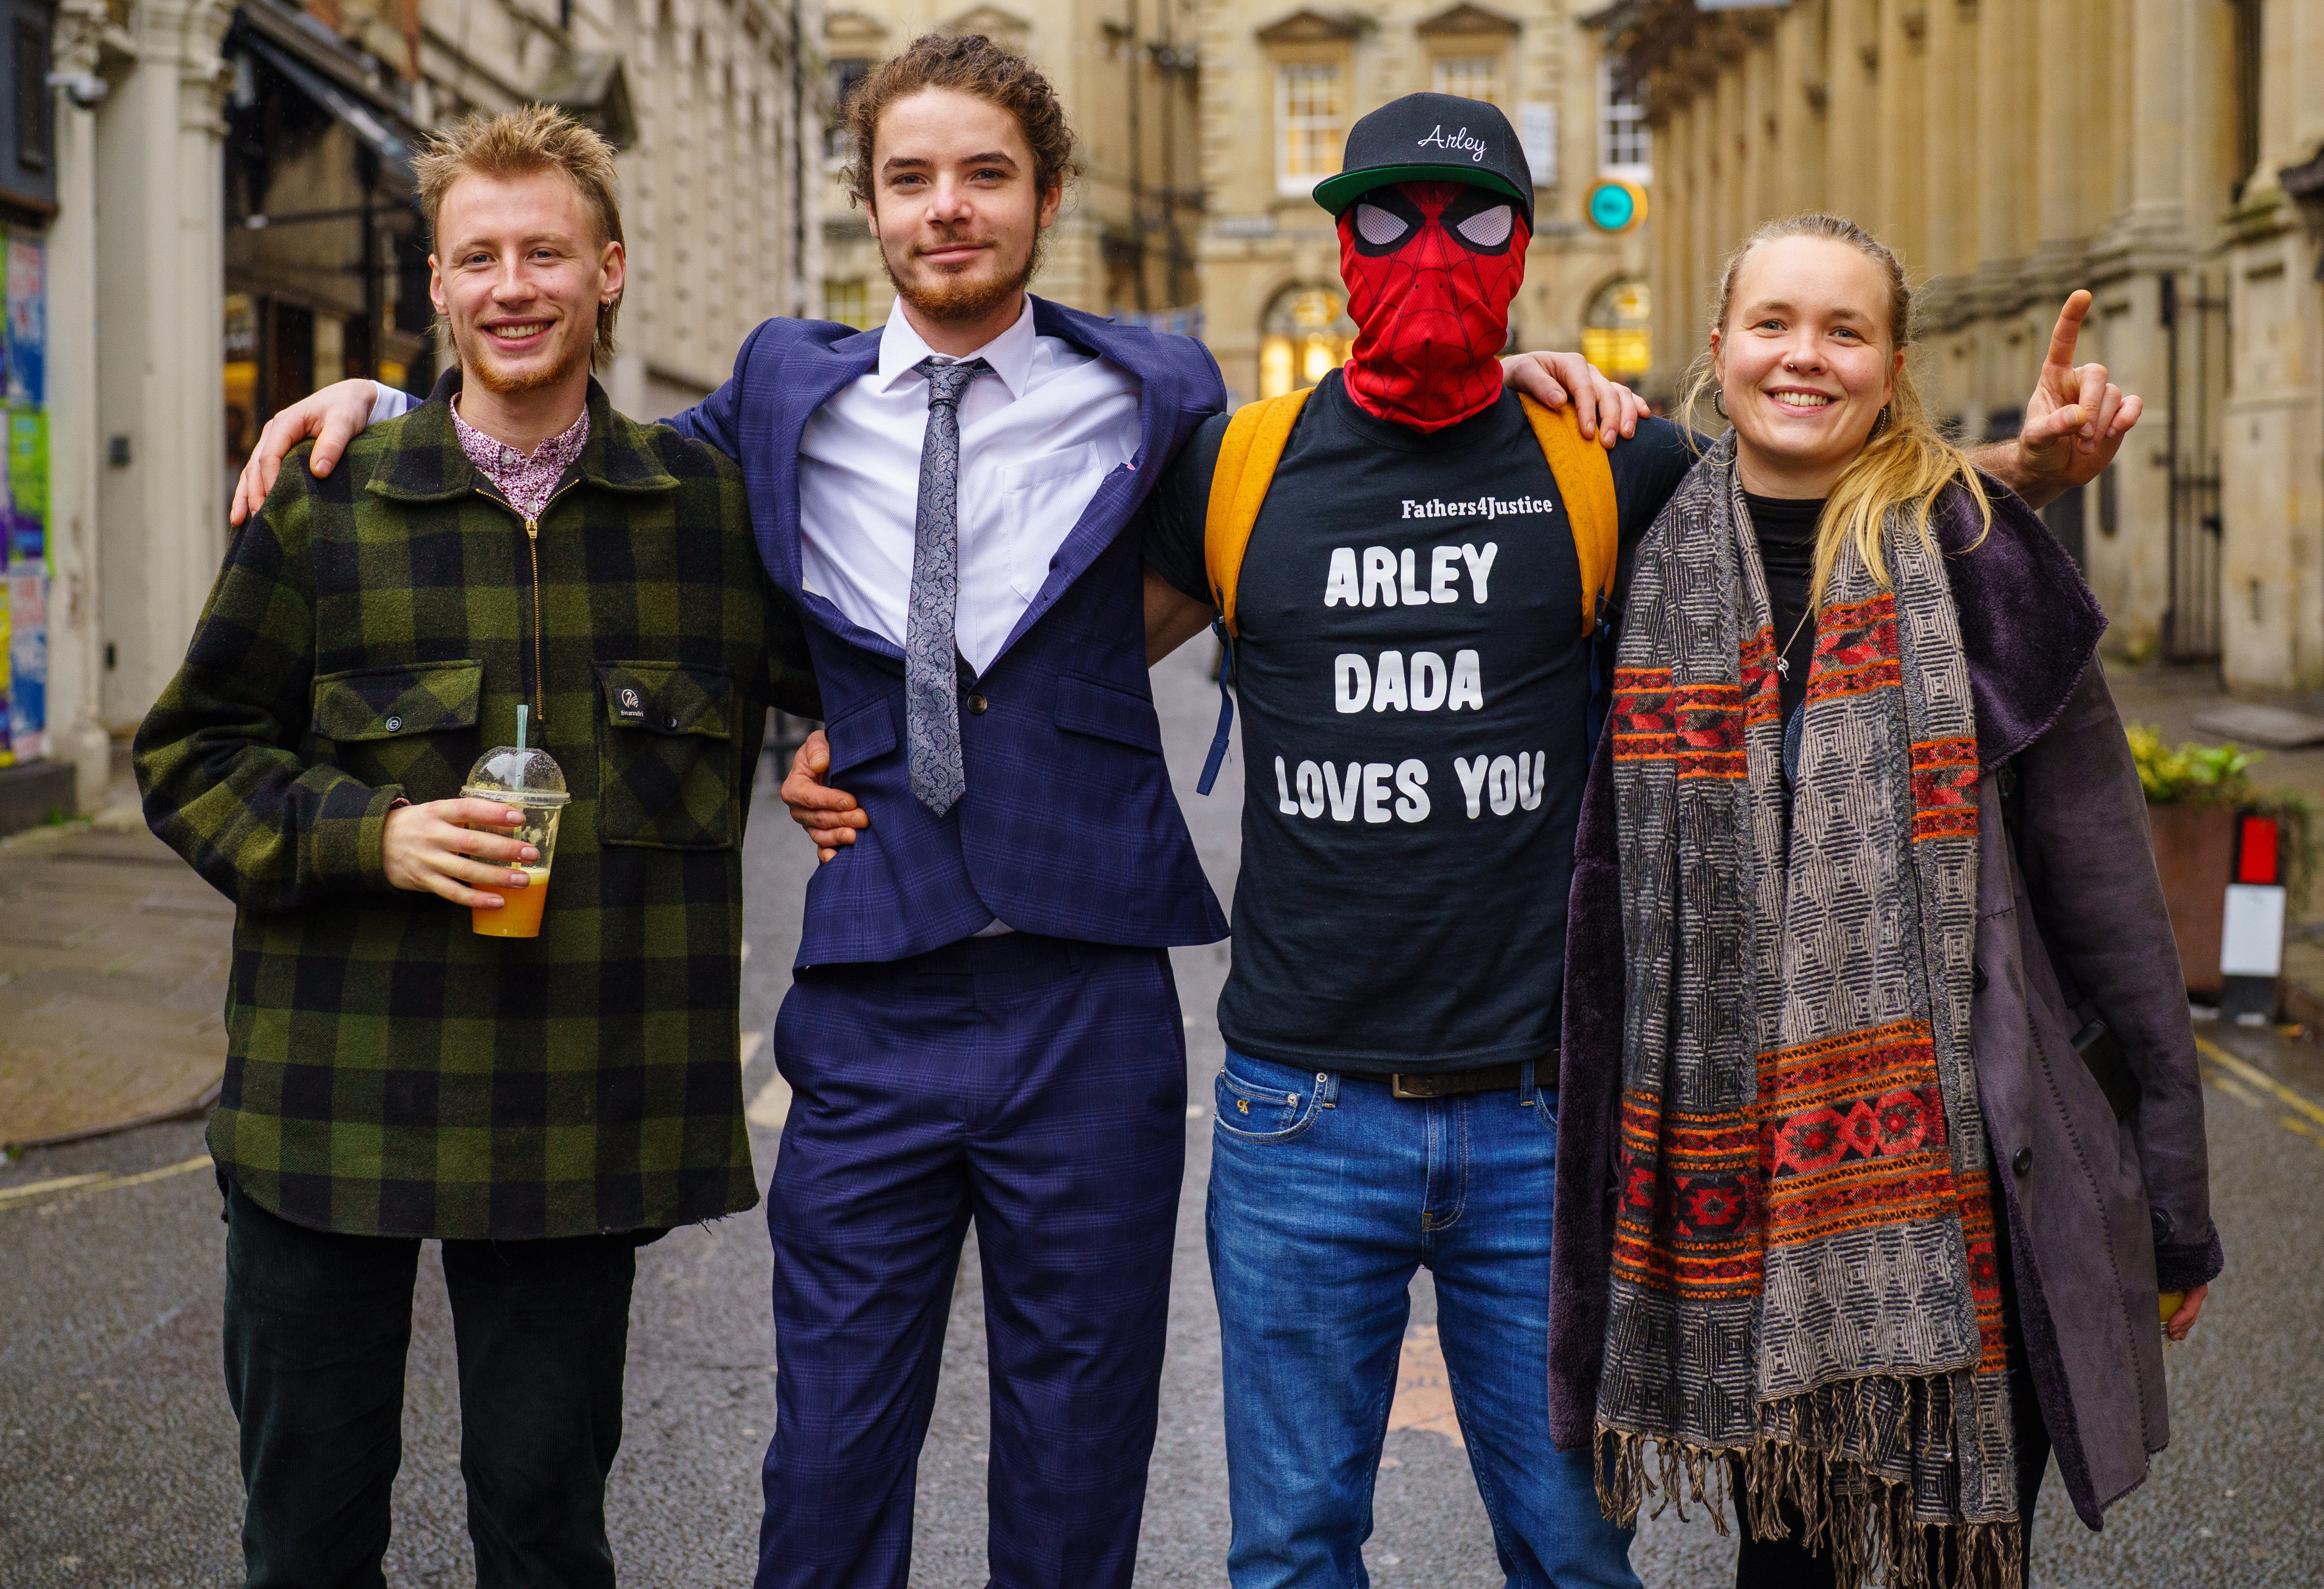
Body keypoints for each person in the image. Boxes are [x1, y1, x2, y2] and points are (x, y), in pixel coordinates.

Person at [225, 40, 1643, 1589]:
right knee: (829, 1469)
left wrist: (1508, 381)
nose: (947, 209)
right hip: (872, 994)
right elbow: (574, 462)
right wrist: (398, 399)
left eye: (985, 175)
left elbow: (1353, 445)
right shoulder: (777, 389)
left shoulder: (1164, 392)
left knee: (1077, 1464)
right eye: (911, 178)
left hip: (1090, 998)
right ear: (872, 204)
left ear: (1045, 198)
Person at [793, 105, 2149, 1589]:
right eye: (1390, 220)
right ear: (1337, 241)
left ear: (1527, 248)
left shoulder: (1603, 465)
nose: (1429, 257)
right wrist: (852, 733)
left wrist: (2021, 470)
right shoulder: (1238, 466)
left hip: (1537, 1118)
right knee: (1293, 1550)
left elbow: (1816, 509)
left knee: (1572, 1554)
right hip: (1300, 1115)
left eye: (1475, 222)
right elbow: (1052, 672)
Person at [135, 107, 816, 1588]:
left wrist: (835, 746)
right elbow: (189, 755)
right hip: (333, 1111)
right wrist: (368, 833)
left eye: (547, 254)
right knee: (307, 1541)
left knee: (547, 1535)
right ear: (435, 288)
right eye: (480, 258)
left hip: (577, 1124)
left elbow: (866, 693)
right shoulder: (329, 506)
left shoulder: (710, 518)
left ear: (609, 270)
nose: (514, 286)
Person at [1581, 213, 2220, 1589]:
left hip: (1980, 1191)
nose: (1804, 357)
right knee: (1788, 1567)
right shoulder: (1647, 560)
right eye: (1774, 324)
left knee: (1964, 1565)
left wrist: (2174, 1202)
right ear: (1719, 348)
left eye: (1845, 329)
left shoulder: (1982, 559)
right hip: (1741, 1200)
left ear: (1894, 365)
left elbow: (2110, 898)